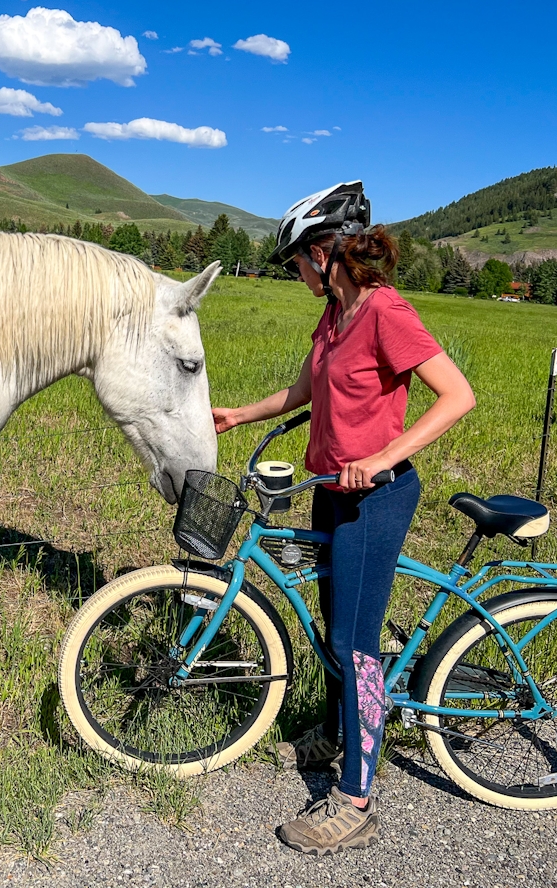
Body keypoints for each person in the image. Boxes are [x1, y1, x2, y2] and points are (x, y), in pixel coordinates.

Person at [212, 181, 475, 855]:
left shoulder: (387, 312)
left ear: (326, 252)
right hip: (332, 488)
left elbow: (456, 396)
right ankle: (337, 733)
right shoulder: (333, 317)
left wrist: (385, 456)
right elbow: (305, 389)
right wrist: (241, 414)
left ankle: (355, 799)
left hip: (375, 497)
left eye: (298, 260)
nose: (296, 272)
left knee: (358, 647)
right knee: (336, 628)